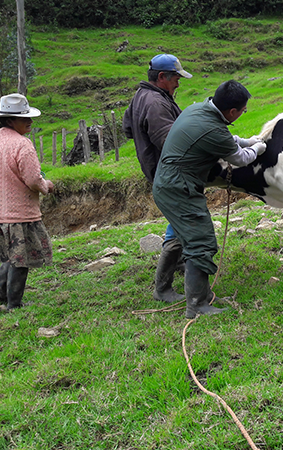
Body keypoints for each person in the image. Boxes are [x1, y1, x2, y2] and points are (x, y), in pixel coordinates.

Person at [152, 80, 266, 318]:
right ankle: (197, 304)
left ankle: (162, 289)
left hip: (167, 184)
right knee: (201, 242)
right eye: (243, 110)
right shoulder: (213, 129)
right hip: (179, 189)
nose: (243, 114)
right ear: (232, 112)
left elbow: (228, 139)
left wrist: (249, 141)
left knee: (182, 235)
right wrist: (259, 148)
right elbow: (240, 158)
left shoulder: (199, 109)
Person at [123, 53, 192, 303]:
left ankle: (182, 263)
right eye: (175, 78)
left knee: (177, 219)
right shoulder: (156, 103)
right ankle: (162, 288)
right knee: (180, 223)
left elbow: (129, 129)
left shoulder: (142, 97)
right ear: (162, 77)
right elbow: (171, 142)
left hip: (158, 170)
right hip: (171, 172)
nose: (178, 83)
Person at [0, 93, 55, 312]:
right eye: (25, 118)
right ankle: (14, 303)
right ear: (10, 120)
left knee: (10, 254)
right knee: (20, 258)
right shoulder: (22, 144)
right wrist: (46, 186)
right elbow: (33, 179)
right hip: (17, 212)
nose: (30, 122)